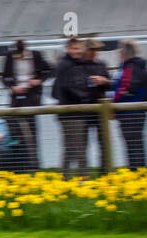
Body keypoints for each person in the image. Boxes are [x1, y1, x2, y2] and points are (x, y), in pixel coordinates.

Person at [1, 39, 51, 172]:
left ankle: (34, 165)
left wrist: (38, 81)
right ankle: (20, 165)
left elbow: (49, 70)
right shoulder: (10, 57)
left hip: (32, 97)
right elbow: (4, 76)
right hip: (16, 98)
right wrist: (12, 87)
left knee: (32, 130)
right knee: (16, 130)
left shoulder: (36, 55)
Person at [53, 38, 95, 175]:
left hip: (76, 111)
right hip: (71, 112)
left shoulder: (77, 65)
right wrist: (85, 97)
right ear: (68, 49)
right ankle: (83, 177)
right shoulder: (65, 66)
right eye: (75, 48)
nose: (78, 51)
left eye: (79, 48)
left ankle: (65, 177)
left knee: (71, 147)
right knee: (78, 147)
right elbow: (68, 86)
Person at [112, 40, 147, 169]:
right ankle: (142, 171)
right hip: (140, 112)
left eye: (120, 53)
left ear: (124, 53)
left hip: (128, 113)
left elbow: (124, 89)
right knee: (138, 143)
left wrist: (113, 102)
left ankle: (135, 172)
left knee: (131, 145)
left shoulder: (129, 68)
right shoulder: (142, 67)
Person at [82, 40, 111, 168]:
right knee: (83, 144)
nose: (95, 53)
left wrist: (104, 81)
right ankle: (85, 174)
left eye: (96, 50)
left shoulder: (102, 65)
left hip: (100, 109)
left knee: (103, 142)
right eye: (92, 50)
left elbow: (110, 84)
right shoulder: (79, 65)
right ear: (86, 50)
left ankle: (104, 171)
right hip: (84, 109)